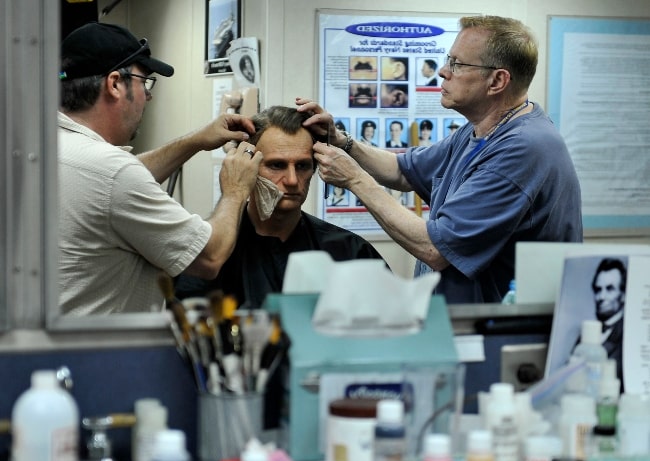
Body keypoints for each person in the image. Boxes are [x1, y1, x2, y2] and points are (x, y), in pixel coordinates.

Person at [297, 14, 583, 304]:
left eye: (458, 64)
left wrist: (355, 180)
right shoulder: (480, 131)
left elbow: (436, 249)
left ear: (497, 80)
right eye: (449, 60)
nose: (443, 71)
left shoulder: (523, 148)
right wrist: (343, 140)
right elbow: (402, 172)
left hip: (501, 332)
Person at [58, 22, 263, 315]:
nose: (148, 95)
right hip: (99, 357)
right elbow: (210, 257)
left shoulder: (48, 150)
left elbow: (108, 189)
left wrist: (194, 141)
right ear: (115, 83)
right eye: (145, 81)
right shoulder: (110, 172)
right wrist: (235, 189)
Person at [174, 105, 386, 310]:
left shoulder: (349, 252)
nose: (293, 180)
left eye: (302, 166)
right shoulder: (209, 258)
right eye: (277, 165)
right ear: (248, 167)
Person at [592, 257, 626, 383]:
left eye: (609, 289)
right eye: (598, 290)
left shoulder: (627, 334)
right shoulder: (585, 335)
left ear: (623, 295)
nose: (601, 297)